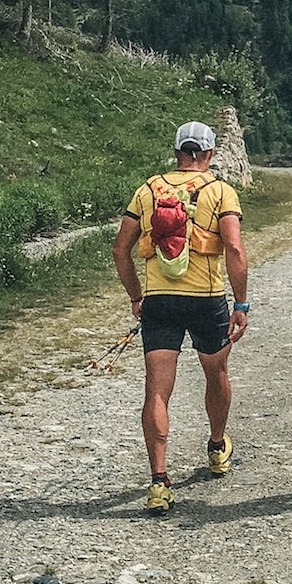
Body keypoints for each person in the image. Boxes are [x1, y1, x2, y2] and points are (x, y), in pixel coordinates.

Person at [113, 120, 251, 513]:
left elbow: (120, 250)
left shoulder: (146, 190)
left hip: (160, 300)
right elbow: (236, 249)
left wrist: (136, 297)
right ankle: (216, 445)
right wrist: (240, 304)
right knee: (216, 374)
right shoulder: (220, 191)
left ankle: (158, 482)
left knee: (157, 391)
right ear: (208, 155)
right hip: (206, 299)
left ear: (176, 151)